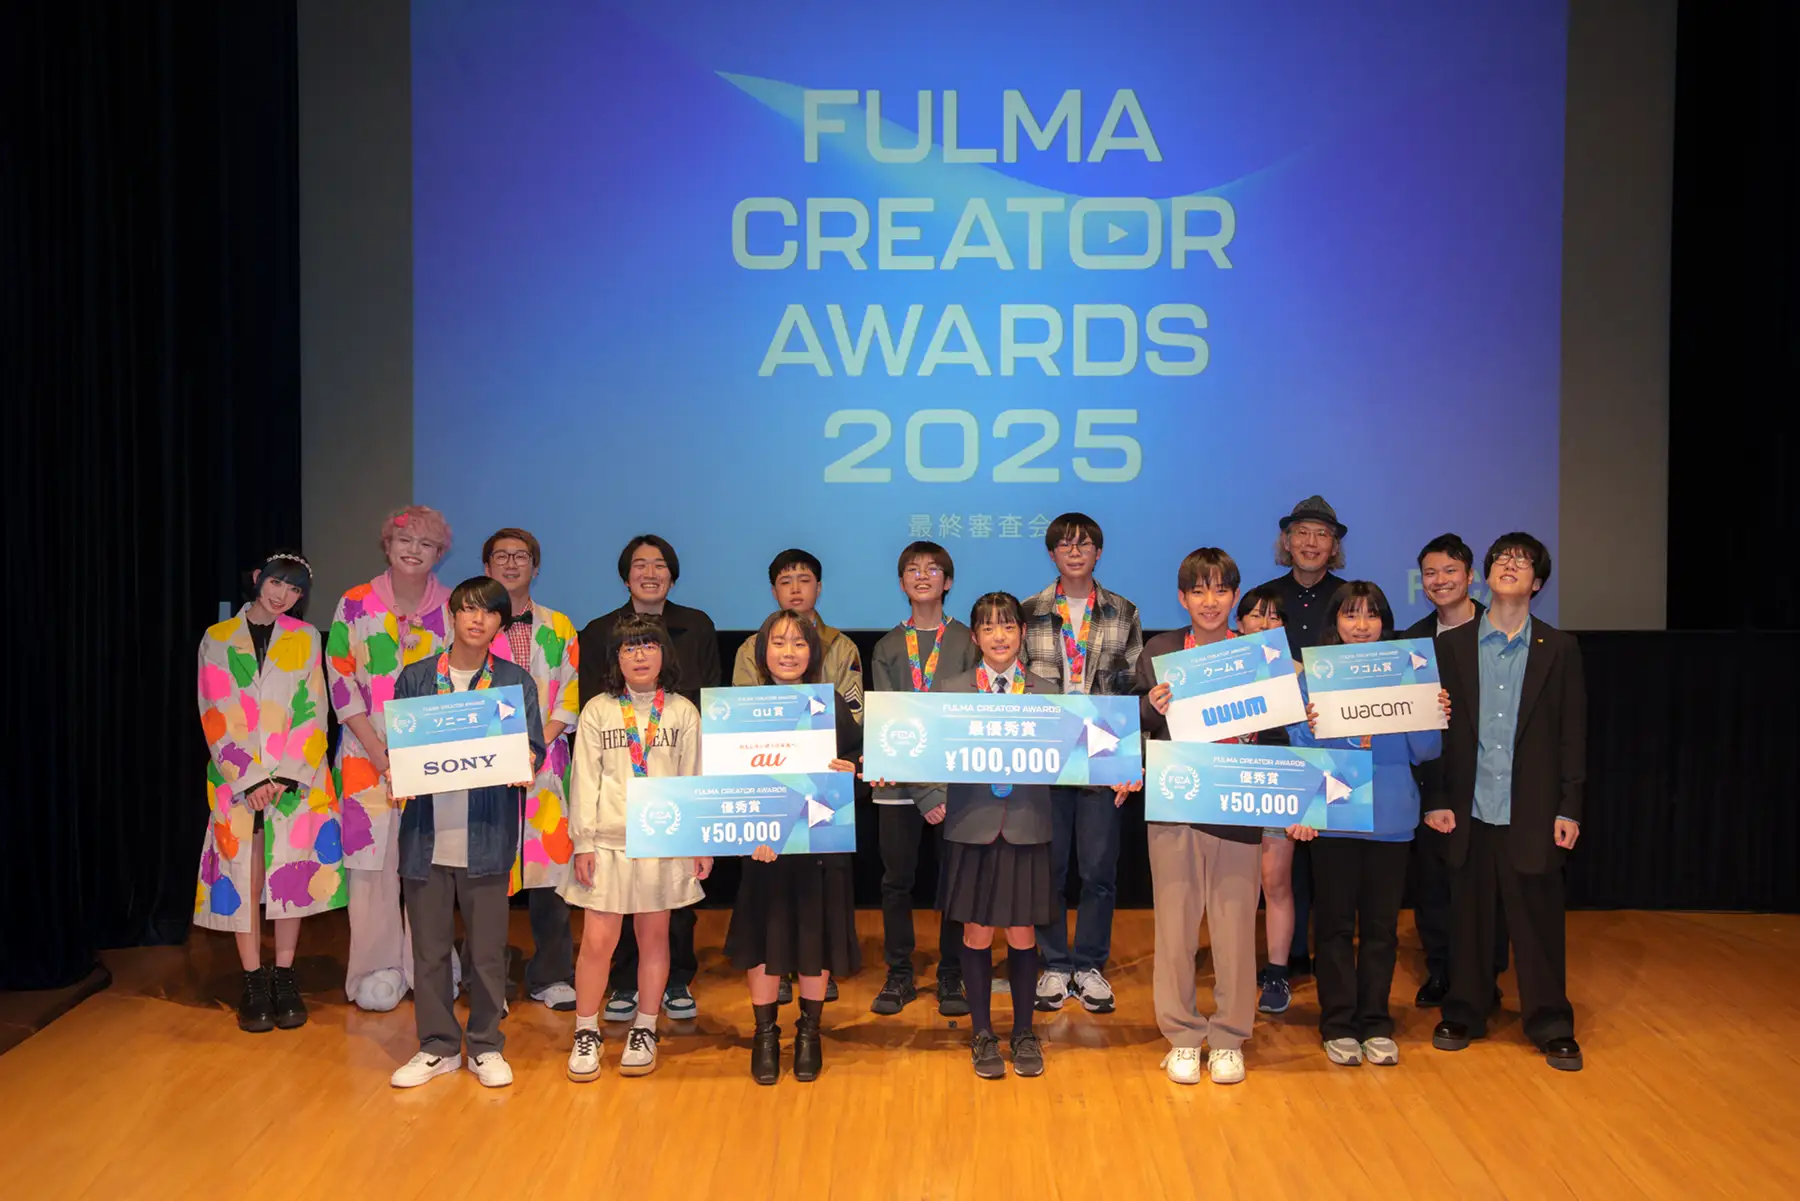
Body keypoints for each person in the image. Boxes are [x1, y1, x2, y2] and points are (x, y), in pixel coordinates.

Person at [1429, 533, 1586, 1072]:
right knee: (1468, 919)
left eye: (1522, 560)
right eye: (1501, 557)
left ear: (1537, 583)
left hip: (1533, 810)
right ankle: (1466, 1010)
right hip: (1468, 807)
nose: (1510, 564)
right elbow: (1436, 732)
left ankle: (1550, 1021)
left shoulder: (1559, 648)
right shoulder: (1451, 646)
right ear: (1486, 574)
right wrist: (1437, 796)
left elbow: (1573, 733)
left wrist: (1569, 805)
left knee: (1538, 923)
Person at [387, 577, 545, 1089]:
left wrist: (526, 761)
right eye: (469, 609)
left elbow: (533, 747)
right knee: (429, 951)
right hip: (425, 838)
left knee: (487, 951)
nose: (478, 619)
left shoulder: (513, 682)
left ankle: (485, 1045)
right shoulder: (416, 678)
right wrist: (395, 771)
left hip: (486, 835)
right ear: (452, 615)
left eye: (489, 612)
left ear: (501, 623)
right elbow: (401, 748)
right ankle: (437, 1046)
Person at [1287, 581, 1446, 1067]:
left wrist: (1431, 712)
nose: (1361, 626)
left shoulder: (1409, 672)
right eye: (1351, 615)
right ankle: (1338, 1023)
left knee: (1380, 928)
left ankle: (1376, 1021)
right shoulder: (1314, 676)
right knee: (1334, 925)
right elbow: (1300, 746)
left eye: (1371, 615)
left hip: (1392, 815)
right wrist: (1308, 724)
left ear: (1384, 623)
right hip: (1336, 812)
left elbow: (1427, 751)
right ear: (1335, 622)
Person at [1138, 550, 1281, 1085]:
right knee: (1175, 929)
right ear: (1182, 598)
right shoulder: (1161, 650)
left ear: (1235, 597)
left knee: (1235, 929)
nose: (1209, 601)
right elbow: (1136, 720)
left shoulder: (1257, 655)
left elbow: (1276, 732)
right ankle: (1181, 1035)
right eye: (1198, 591)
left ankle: (1228, 1038)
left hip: (1237, 806)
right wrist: (1151, 705)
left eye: (1220, 590)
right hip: (1175, 804)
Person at [194, 551, 345, 1033]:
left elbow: (313, 708)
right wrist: (250, 778)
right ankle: (253, 980)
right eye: (278, 583)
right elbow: (214, 710)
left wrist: (286, 775)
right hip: (238, 782)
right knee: (246, 878)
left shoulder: (305, 638)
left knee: (289, 877)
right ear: (258, 579)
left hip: (291, 783)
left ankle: (284, 975)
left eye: (295, 589)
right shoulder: (218, 638)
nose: (284, 595)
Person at [562, 614, 711, 1082]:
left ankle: (645, 1028)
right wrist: (583, 842)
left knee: (654, 938)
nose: (640, 655)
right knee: (597, 941)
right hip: (607, 843)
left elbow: (694, 778)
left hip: (663, 842)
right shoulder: (598, 710)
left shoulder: (683, 712)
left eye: (649, 645)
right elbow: (584, 781)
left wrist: (697, 842)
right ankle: (586, 1030)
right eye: (629, 648)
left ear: (665, 653)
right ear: (616, 658)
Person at [577, 534, 718, 1022]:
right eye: (640, 564)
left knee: (666, 915)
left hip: (671, 803)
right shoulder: (599, 639)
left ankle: (670, 988)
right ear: (625, 576)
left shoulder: (696, 629)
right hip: (613, 814)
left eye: (660, 564)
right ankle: (620, 988)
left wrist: (699, 832)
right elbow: (587, 764)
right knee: (607, 922)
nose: (650, 572)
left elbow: (710, 701)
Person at [727, 611, 863, 1084]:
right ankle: (765, 1035)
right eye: (779, 643)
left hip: (819, 844)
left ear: (813, 652)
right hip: (763, 847)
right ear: (762, 650)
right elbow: (727, 780)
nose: (789, 652)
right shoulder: (740, 710)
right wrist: (750, 834)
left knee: (814, 935)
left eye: (799, 643)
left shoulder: (830, 706)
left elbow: (857, 762)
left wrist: (851, 771)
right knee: (763, 939)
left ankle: (809, 1032)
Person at [327, 505, 454, 1012]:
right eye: (405, 541)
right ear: (387, 545)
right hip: (365, 756)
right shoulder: (354, 602)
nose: (413, 551)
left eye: (426, 544)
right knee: (371, 869)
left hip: (432, 759)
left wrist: (420, 754)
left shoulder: (453, 607)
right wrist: (381, 755)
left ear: (439, 553)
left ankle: (430, 967)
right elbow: (341, 681)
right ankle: (375, 969)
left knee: (430, 866)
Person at [1020, 512, 1142, 1014]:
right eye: (1065, 545)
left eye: (1084, 544)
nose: (1075, 552)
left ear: (1098, 552)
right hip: (1047, 758)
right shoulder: (1028, 611)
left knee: (1098, 870)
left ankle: (1089, 965)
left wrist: (1131, 761)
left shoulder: (1122, 611)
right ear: (1052, 554)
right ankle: (1053, 963)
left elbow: (1133, 690)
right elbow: (1017, 685)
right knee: (1047, 869)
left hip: (1102, 755)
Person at [931, 592, 1055, 1079]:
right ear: (975, 636)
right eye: (988, 628)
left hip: (1027, 823)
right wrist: (887, 767)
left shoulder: (1048, 692)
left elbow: (1078, 756)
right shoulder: (950, 690)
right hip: (972, 824)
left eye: (1007, 626)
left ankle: (1023, 1031)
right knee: (976, 932)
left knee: (1023, 933)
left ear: (1022, 633)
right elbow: (923, 750)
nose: (999, 636)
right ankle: (982, 1032)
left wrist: (1119, 771)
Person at [868, 541, 978, 1017]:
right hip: (898, 787)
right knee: (897, 882)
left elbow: (969, 719)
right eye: (912, 569)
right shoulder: (888, 647)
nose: (922, 576)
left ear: (947, 582)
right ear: (901, 583)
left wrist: (940, 791)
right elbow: (888, 723)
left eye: (933, 569)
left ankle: (952, 971)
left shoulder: (970, 641)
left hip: (956, 787)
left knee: (955, 881)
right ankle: (899, 972)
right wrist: (924, 792)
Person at [1399, 533, 1502, 1007]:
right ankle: (1440, 969)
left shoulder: (1497, 631)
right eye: (1430, 573)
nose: (1439, 581)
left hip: (1488, 780)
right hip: (1431, 778)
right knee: (1434, 883)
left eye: (1449, 571)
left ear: (1470, 576)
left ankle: (1485, 975)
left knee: (1486, 884)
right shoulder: (1412, 640)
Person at [1250, 494, 1350, 981]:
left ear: (1334, 546)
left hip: (1337, 745)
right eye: (1302, 533)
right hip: (1275, 742)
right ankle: (1286, 958)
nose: (1311, 543)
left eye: (1322, 535)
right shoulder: (1263, 599)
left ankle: (1332, 959)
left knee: (1331, 861)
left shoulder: (1352, 599)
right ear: (1286, 542)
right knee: (1279, 863)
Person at [483, 527, 582, 1011]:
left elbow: (570, 693)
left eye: (521, 556)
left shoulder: (559, 625)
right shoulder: (473, 622)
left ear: (536, 567)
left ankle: (552, 975)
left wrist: (535, 744)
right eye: (501, 556)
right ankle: (489, 980)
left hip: (546, 765)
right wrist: (502, 751)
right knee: (489, 877)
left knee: (552, 875)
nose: (511, 563)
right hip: (486, 767)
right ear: (486, 567)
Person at [1237, 586, 1300, 1015]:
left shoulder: (1299, 673)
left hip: (1277, 783)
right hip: (1224, 783)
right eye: (1256, 615)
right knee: (1231, 885)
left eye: (1274, 616)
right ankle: (1236, 969)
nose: (1264, 623)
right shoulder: (1215, 669)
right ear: (1239, 622)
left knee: (1274, 881)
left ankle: (1277, 973)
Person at [731, 548, 865, 722]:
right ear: (774, 592)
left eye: (804, 581)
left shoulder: (842, 647)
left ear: (818, 588)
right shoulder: (751, 648)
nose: (795, 589)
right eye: (786, 582)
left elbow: (853, 715)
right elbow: (741, 713)